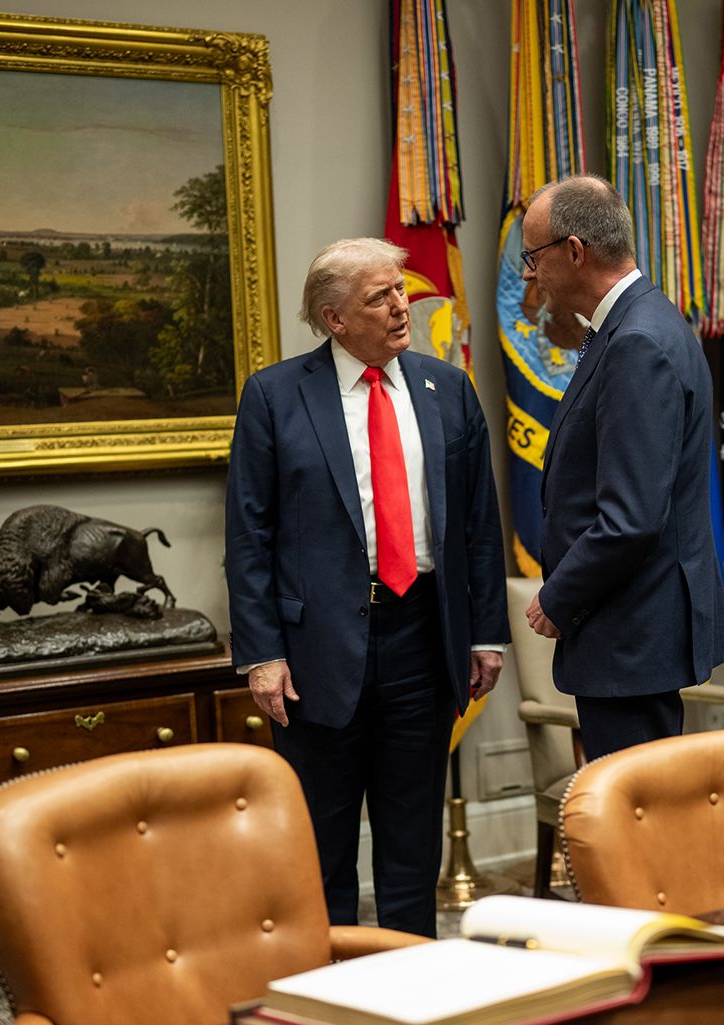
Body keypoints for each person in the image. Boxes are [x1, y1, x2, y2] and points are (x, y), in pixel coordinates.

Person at [225, 238, 508, 937]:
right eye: (379, 296)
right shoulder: (274, 395)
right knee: (321, 848)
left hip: (423, 638)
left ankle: (411, 981)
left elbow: (478, 524)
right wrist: (261, 652)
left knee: (412, 841)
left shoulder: (448, 389)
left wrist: (484, 633)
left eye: (400, 288)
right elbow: (248, 535)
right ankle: (332, 992)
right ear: (333, 317)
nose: (401, 304)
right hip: (315, 650)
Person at [519, 175, 724, 760]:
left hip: (629, 635)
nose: (529, 275)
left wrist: (559, 597)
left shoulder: (636, 340)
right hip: (631, 631)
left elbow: (631, 518)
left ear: (575, 251)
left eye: (533, 257)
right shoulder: (640, 322)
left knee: (640, 834)